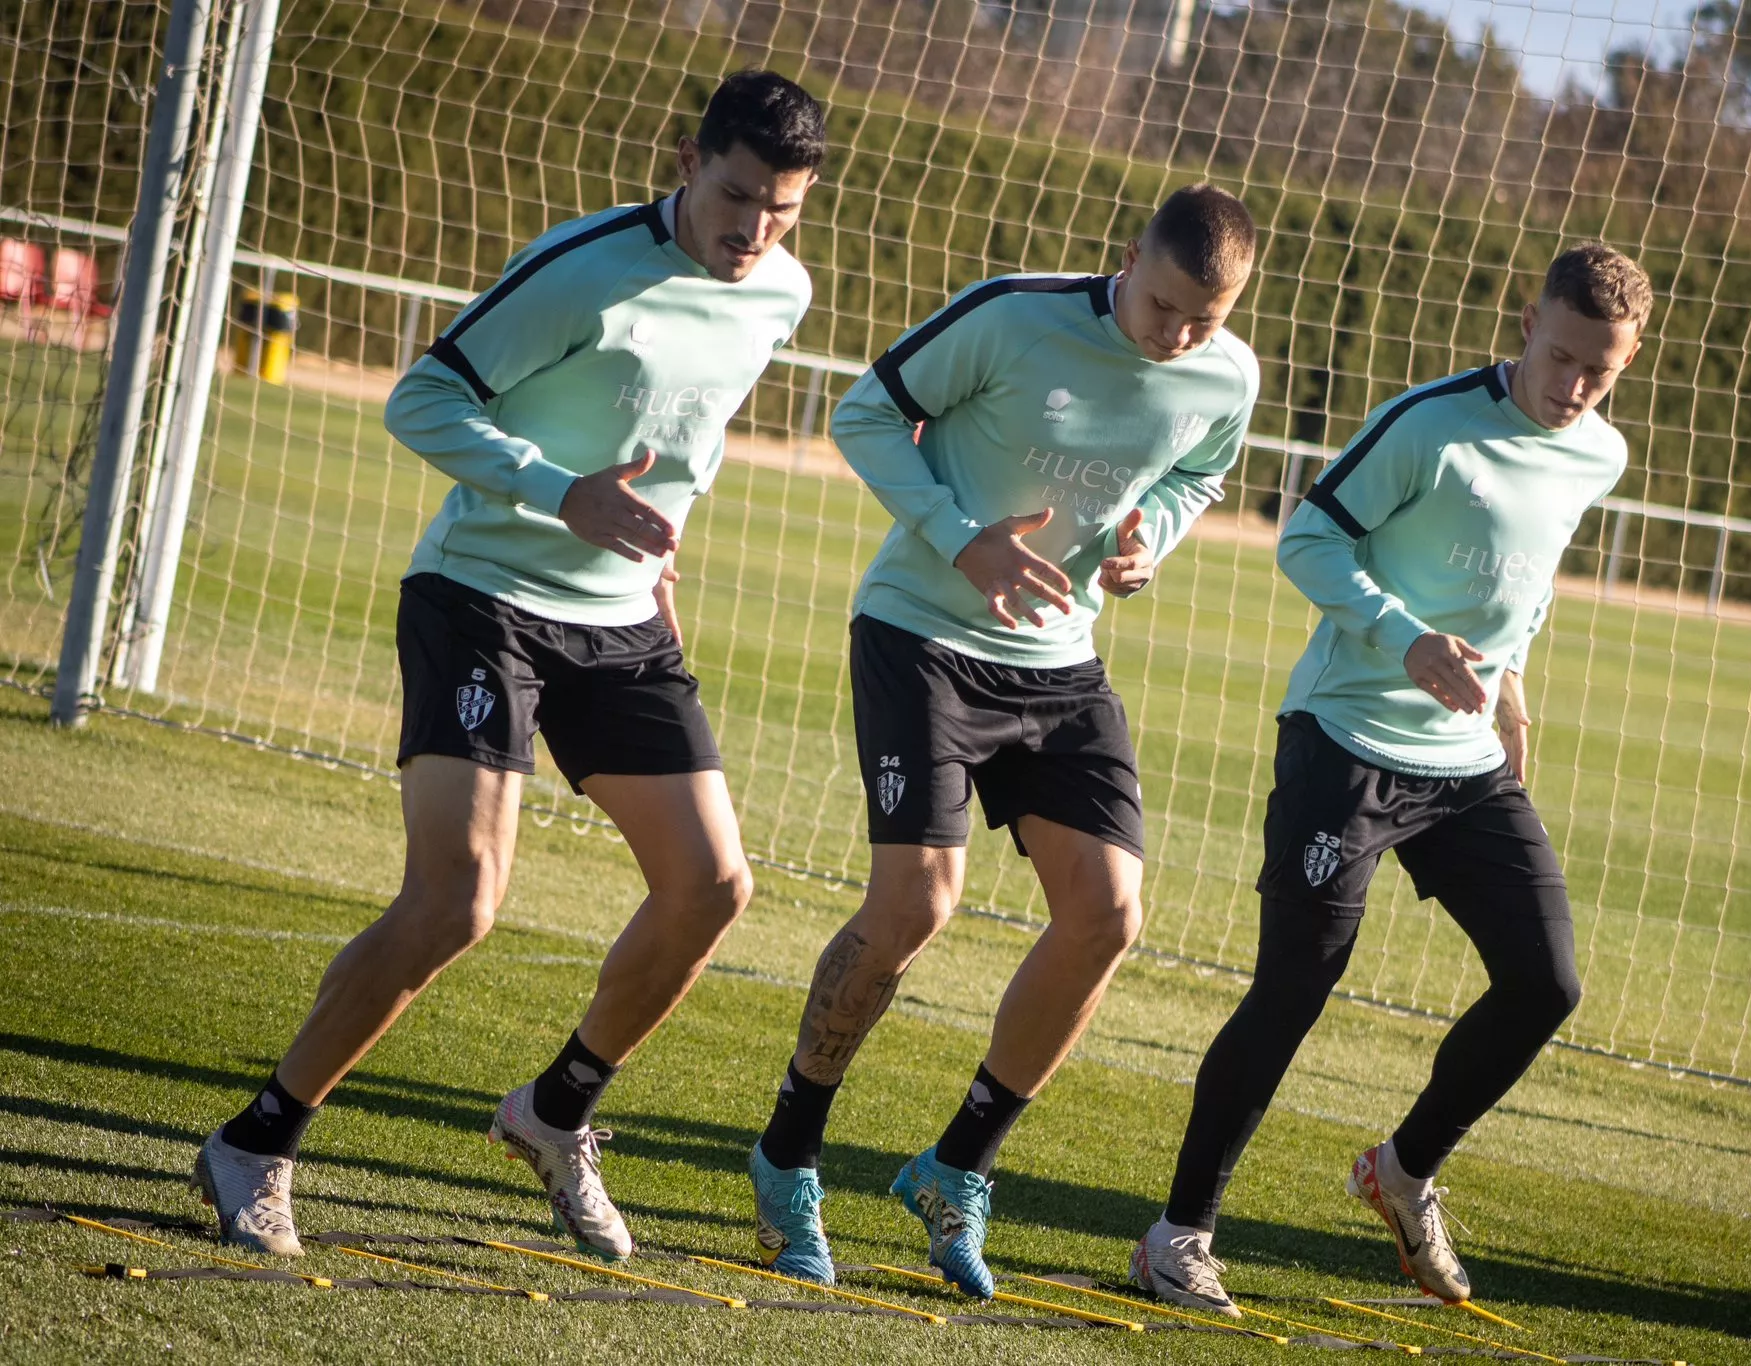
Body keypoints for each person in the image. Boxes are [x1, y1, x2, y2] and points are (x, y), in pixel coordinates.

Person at [188, 70, 826, 1263]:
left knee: (711, 887)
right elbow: (420, 400)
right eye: (738, 196)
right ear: (688, 163)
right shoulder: (582, 267)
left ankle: (554, 1112)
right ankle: (256, 1142)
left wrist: (658, 557)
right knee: (457, 901)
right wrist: (557, 491)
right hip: (481, 595)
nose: (755, 229)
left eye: (782, 209)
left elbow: (687, 431)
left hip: (621, 618)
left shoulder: (781, 289)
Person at [743, 185, 1262, 1297]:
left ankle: (956, 1169)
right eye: (1163, 307)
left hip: (1060, 661)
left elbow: (1198, 471)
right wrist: (960, 536)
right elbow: (863, 415)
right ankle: (788, 1154)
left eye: (1205, 320)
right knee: (915, 905)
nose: (1179, 337)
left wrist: (1149, 540)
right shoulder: (1013, 313)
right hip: (922, 635)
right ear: (1130, 256)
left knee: (1108, 912)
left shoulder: (1228, 374)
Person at [1130, 243, 1651, 1317]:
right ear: (1526, 324)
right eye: (1559, 358)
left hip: (1463, 761)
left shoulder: (1600, 453)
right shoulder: (1427, 425)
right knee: (1293, 989)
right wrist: (1405, 637)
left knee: (1546, 983)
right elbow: (1307, 540)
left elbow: (1526, 576)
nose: (1572, 388)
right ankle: (1176, 1236)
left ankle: (1403, 1172)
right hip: (1347, 740)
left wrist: (1510, 684)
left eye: (1598, 372)